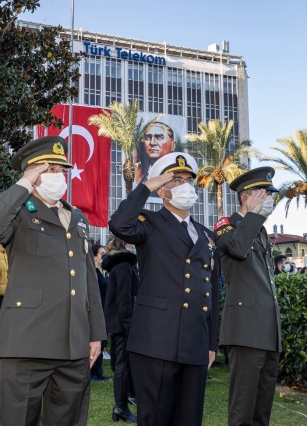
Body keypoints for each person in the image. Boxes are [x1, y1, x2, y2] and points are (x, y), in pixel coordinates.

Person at [0, 135, 106, 426]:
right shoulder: (19, 212)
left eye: (60, 170)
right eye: (47, 169)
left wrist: (96, 333)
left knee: (69, 419)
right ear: (30, 172)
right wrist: (24, 185)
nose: (57, 176)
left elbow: (88, 280)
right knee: (20, 419)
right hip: (28, 340)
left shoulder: (78, 218)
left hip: (74, 342)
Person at [110, 152, 220, 425]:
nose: (185, 186)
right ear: (162, 189)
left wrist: (211, 343)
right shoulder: (149, 224)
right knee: (156, 418)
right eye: (175, 180)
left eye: (188, 180)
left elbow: (213, 292)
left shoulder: (207, 235)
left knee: (189, 418)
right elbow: (119, 223)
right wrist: (146, 187)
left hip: (195, 342)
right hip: (156, 340)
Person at [214, 166, 281, 426]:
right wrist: (252, 216)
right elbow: (238, 250)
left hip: (267, 331)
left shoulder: (261, 231)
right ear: (246, 197)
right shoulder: (226, 227)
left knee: (261, 410)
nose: (269, 200)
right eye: (264, 194)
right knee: (243, 410)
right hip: (245, 330)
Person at [101, 237, 139, 423]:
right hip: (123, 323)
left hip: (119, 322)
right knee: (123, 365)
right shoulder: (123, 264)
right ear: (125, 244)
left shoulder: (119, 264)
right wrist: (129, 324)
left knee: (122, 364)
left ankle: (121, 406)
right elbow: (124, 298)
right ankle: (121, 406)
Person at [134, 122, 177, 186]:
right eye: (148, 137)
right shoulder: (138, 174)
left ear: (173, 145)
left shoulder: (178, 174)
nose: (152, 143)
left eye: (159, 137)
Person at [90, 243, 110, 383]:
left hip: (104, 309)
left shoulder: (102, 272)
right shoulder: (93, 273)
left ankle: (99, 372)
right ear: (94, 256)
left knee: (102, 341)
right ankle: (93, 373)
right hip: (97, 309)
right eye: (102, 254)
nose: (104, 257)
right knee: (97, 339)